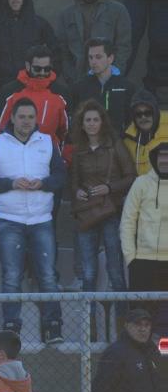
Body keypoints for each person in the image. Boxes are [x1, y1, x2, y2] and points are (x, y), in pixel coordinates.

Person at [0, 98, 66, 343]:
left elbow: (61, 176)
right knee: (11, 276)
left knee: (48, 275)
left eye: (30, 117)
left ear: (36, 119)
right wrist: (11, 183)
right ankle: (11, 327)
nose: (26, 121)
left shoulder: (47, 142)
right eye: (22, 117)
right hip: (9, 219)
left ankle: (53, 326)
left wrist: (44, 183)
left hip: (41, 218)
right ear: (12, 118)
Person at [69, 100, 135, 294]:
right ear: (82, 124)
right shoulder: (78, 149)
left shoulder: (115, 145)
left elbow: (131, 177)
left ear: (102, 122)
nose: (91, 124)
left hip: (111, 210)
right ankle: (90, 314)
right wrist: (77, 191)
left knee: (115, 268)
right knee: (88, 271)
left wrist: (109, 188)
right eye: (87, 120)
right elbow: (73, 181)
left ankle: (121, 313)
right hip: (87, 212)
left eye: (95, 120)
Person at [119, 143, 168, 330]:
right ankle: (139, 347)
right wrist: (131, 258)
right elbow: (127, 221)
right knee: (140, 315)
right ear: (154, 158)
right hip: (143, 261)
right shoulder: (141, 183)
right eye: (161, 156)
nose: (165, 160)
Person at [57, 0, 132, 86]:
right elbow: (62, 49)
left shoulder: (117, 11)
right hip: (77, 78)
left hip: (108, 77)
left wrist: (115, 74)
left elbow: (124, 46)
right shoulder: (66, 14)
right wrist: (70, 76)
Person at [0, 45, 71, 148]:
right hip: (15, 152)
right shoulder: (10, 91)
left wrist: (61, 155)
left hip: (48, 153)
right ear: (28, 66)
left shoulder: (61, 93)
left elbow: (67, 131)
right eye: (37, 69)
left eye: (47, 69)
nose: (42, 73)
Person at [72, 38, 138, 134]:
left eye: (98, 57)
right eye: (90, 57)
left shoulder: (126, 87)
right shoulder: (79, 87)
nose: (93, 62)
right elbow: (76, 120)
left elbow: (132, 120)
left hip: (118, 140)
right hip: (88, 141)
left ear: (110, 58)